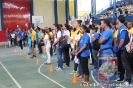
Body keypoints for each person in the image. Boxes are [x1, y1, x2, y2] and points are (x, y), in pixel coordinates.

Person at [114, 15, 131, 85]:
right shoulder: (121, 28)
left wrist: (117, 48)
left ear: (118, 20)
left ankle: (128, 80)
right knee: (121, 65)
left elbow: (122, 41)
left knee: (126, 65)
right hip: (121, 49)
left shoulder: (123, 28)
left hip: (123, 49)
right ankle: (121, 77)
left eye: (117, 19)